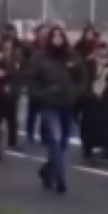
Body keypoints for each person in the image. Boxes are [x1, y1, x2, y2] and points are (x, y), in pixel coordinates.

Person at [22, 26, 88, 193]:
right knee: (55, 138)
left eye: (60, 35)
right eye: (54, 36)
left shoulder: (72, 56)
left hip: (67, 103)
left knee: (63, 142)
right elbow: (30, 78)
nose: (57, 38)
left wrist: (75, 92)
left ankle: (48, 170)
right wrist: (40, 94)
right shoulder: (40, 57)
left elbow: (83, 76)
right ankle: (60, 176)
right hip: (49, 103)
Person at [79, 42, 108, 165]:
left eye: (105, 49)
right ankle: (88, 148)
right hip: (92, 97)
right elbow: (84, 78)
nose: (102, 52)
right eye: (100, 49)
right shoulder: (89, 63)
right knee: (89, 124)